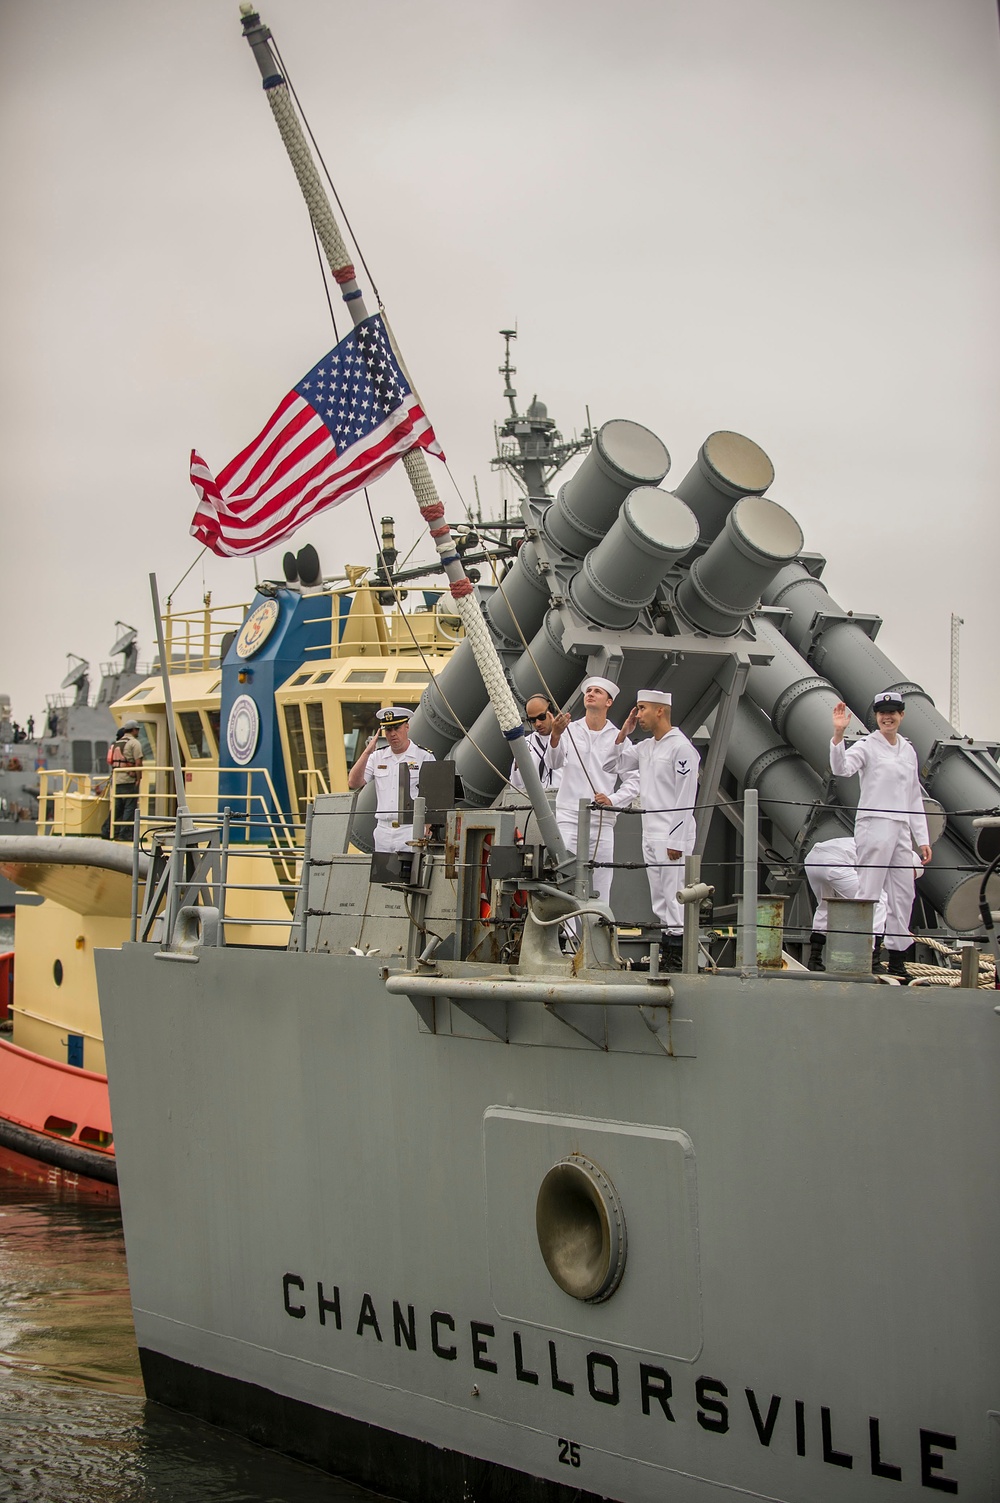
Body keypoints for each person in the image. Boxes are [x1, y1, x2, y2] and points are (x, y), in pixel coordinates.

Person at [831, 691, 931, 982]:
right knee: (869, 891)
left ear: (902, 715)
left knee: (903, 894)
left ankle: (897, 958)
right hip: (874, 824)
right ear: (876, 716)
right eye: (882, 712)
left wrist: (921, 837)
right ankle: (868, 954)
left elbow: (914, 795)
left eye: (893, 712)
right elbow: (842, 768)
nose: (888, 717)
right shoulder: (867, 746)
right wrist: (839, 735)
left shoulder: (907, 750)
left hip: (900, 827)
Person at [607, 690, 700, 970]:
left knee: (675, 897)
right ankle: (669, 951)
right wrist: (624, 733)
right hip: (650, 832)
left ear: (660, 711)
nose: (638, 714)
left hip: (672, 833)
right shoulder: (646, 747)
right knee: (659, 898)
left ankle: (678, 956)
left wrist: (677, 838)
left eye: (642, 708)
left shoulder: (681, 748)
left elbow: (686, 797)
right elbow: (612, 764)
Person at [546, 676, 638, 908]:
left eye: (597, 691)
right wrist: (555, 736)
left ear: (608, 702)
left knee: (601, 882)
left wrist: (613, 799)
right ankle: (567, 937)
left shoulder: (619, 737)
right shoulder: (569, 730)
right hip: (569, 817)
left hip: (602, 822)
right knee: (565, 879)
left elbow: (634, 781)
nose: (591, 693)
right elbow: (554, 763)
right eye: (589, 690)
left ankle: (597, 934)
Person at [348, 706, 435, 854]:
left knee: (411, 876)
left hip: (411, 829)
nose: (393, 734)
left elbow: (434, 793)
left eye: (397, 728)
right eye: (388, 730)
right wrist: (367, 752)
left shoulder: (424, 756)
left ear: (407, 727)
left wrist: (429, 824)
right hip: (383, 830)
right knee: (383, 876)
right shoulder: (377, 756)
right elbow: (354, 783)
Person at [804, 836, 890, 972]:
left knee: (825, 906)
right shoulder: (888, 854)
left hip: (812, 859)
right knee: (878, 901)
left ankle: (814, 959)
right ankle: (872, 960)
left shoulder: (874, 842)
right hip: (835, 861)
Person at [509, 695, 562, 793]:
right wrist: (518, 765)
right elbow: (516, 787)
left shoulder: (569, 736)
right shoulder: (525, 743)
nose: (537, 724)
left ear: (551, 711)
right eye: (532, 720)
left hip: (566, 801)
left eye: (541, 717)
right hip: (539, 803)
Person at [104, 719, 143, 841]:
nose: (138, 731)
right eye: (137, 729)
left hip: (116, 780)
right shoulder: (134, 743)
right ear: (133, 730)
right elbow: (138, 762)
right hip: (128, 780)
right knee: (129, 807)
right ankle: (124, 834)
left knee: (117, 807)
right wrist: (138, 778)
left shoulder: (117, 743)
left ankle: (107, 830)